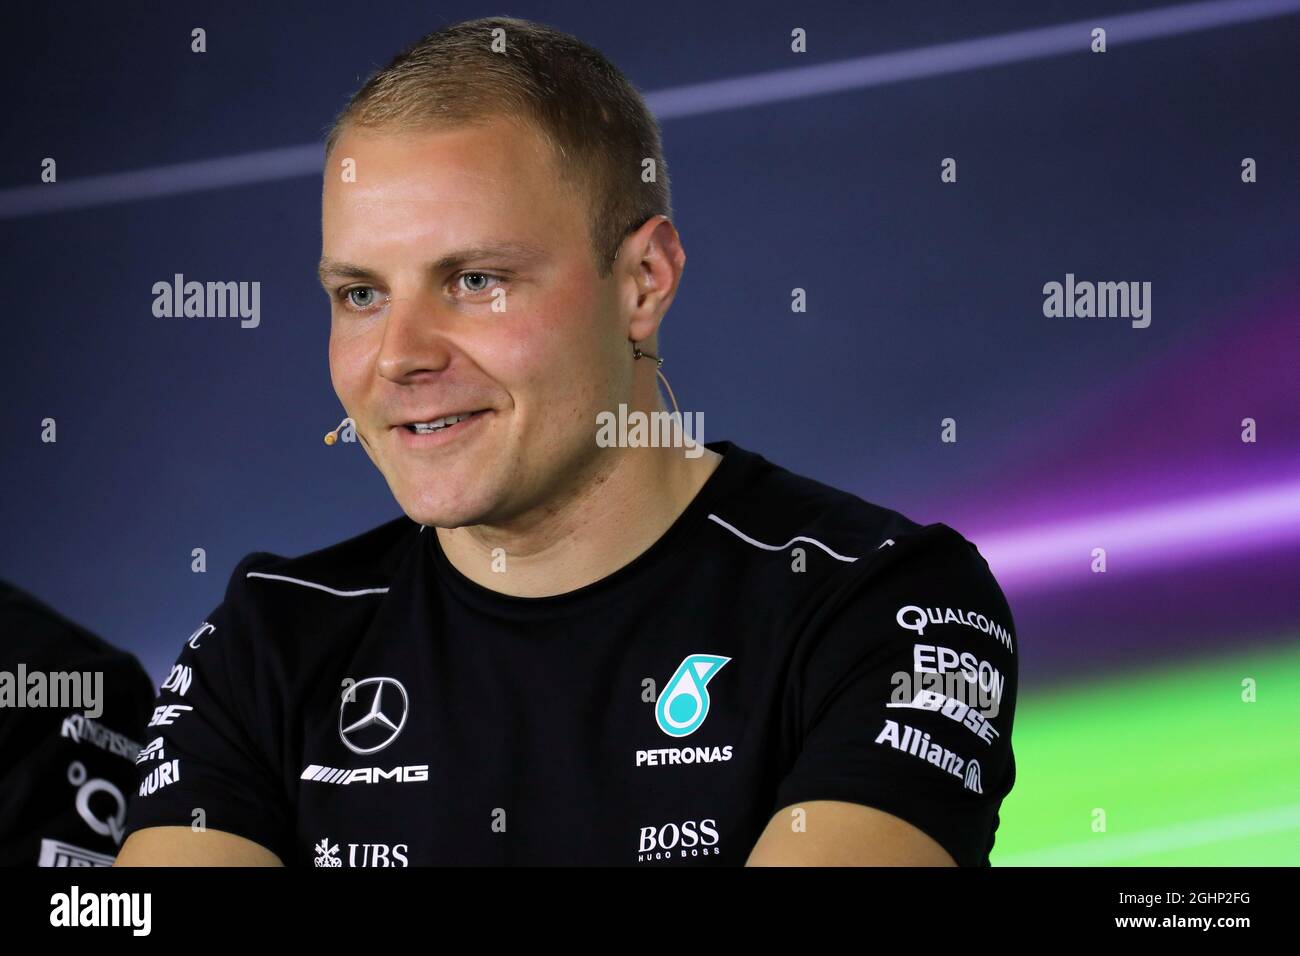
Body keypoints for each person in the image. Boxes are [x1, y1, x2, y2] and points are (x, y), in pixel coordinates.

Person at [116, 15, 1017, 867]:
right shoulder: (268, 638)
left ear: (643, 281)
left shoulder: (883, 605)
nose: (398, 357)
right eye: (360, 294)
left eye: (474, 280)